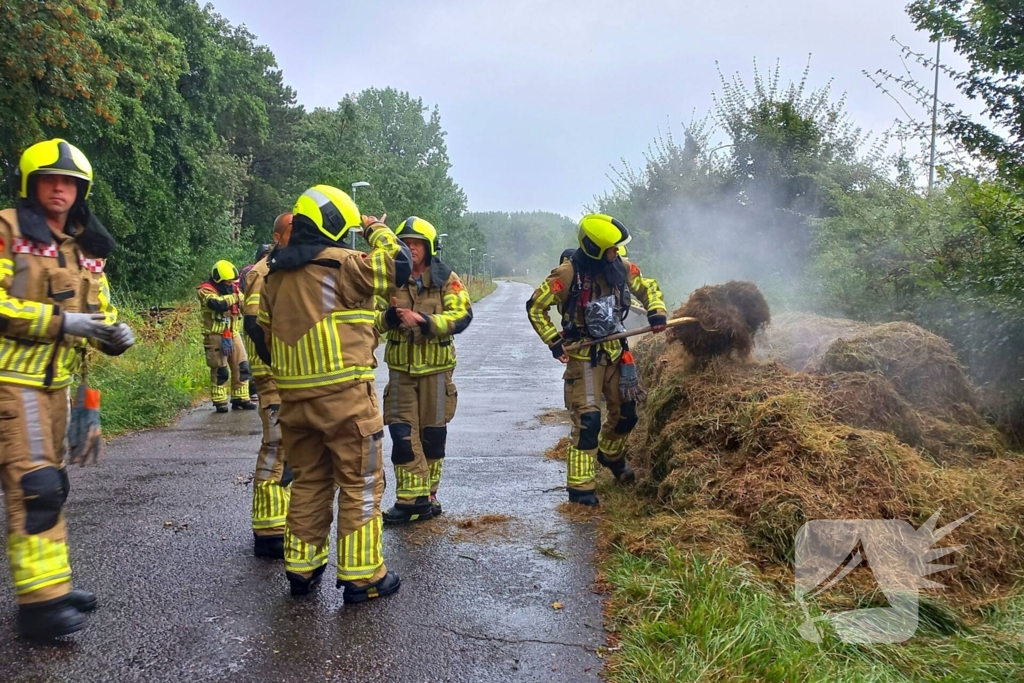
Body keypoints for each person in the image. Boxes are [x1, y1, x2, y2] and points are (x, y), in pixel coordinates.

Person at [0, 138, 135, 639]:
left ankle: (50, 587)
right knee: (35, 487)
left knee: (51, 487)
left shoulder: (84, 247)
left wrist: (112, 334)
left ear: (82, 190)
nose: (60, 188)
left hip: (56, 386)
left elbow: (99, 311)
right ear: (29, 184)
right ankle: (39, 606)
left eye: (70, 182)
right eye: (49, 180)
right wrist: (61, 322)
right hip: (12, 381)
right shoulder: (7, 230)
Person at [253, 185, 412, 602]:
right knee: (362, 483)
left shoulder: (273, 277)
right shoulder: (343, 264)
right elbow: (400, 263)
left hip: (294, 403)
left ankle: (301, 570)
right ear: (335, 222)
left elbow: (265, 334)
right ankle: (363, 577)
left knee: (309, 481)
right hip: (346, 400)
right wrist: (376, 228)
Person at [527, 214, 667, 506]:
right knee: (588, 421)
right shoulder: (567, 274)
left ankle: (611, 455)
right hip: (583, 356)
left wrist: (656, 311)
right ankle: (581, 490)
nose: (617, 253)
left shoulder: (621, 266)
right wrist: (554, 341)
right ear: (595, 248)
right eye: (612, 249)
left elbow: (648, 287)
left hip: (616, 352)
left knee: (627, 414)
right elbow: (536, 307)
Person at [376, 217, 473, 524]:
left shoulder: (446, 279)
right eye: (405, 243)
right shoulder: (391, 278)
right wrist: (390, 318)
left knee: (433, 436)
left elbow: (462, 315)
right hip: (401, 372)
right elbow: (370, 318)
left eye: (417, 243)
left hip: (437, 372)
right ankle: (409, 501)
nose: (411, 248)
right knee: (402, 435)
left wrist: (427, 322)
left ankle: (428, 496)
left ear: (430, 247)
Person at [241, 214, 292, 558]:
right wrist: (277, 360)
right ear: (276, 236)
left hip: (287, 374)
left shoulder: (287, 268)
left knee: (289, 448)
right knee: (277, 445)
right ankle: (269, 529)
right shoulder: (264, 272)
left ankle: (278, 522)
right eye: (291, 230)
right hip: (273, 374)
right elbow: (255, 325)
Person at [197, 260, 255, 413]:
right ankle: (220, 401)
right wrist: (235, 297)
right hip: (215, 335)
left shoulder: (233, 290)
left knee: (242, 366)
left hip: (233, 333)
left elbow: (245, 304)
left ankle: (240, 398)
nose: (231, 285)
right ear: (218, 280)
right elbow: (217, 304)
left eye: (233, 282)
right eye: (228, 282)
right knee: (220, 370)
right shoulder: (205, 290)